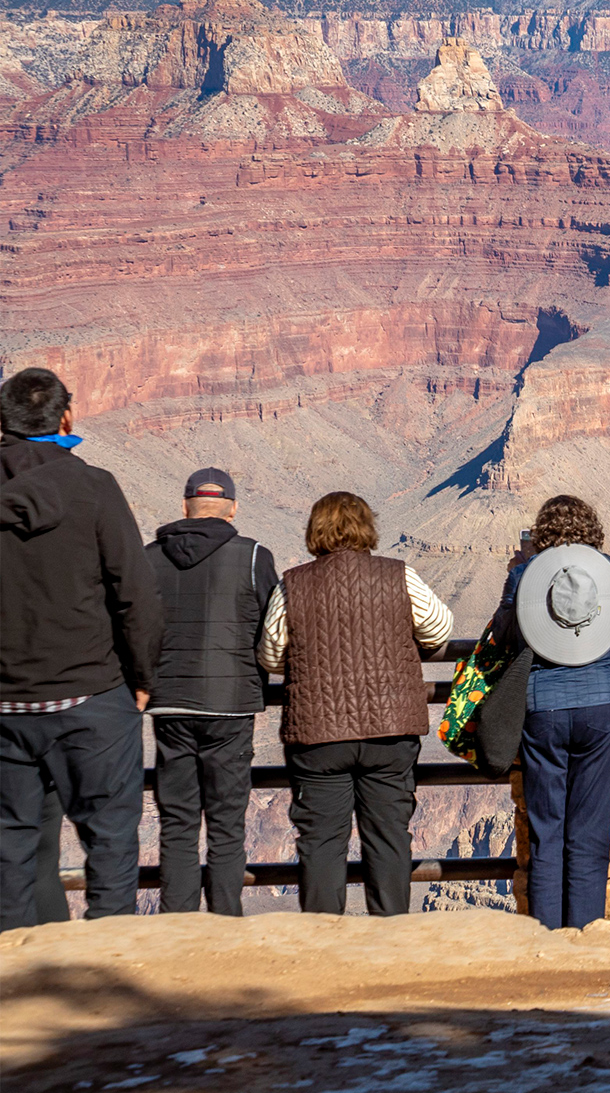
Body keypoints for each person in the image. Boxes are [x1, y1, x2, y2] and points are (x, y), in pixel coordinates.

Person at [0, 368, 162, 931]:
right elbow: (135, 593)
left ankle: (16, 991)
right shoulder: (94, 487)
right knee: (112, 848)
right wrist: (142, 679)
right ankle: (106, 982)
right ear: (67, 418)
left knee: (9, 859)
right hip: (91, 697)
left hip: (5, 708)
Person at [257, 492, 453, 916]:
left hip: (318, 736)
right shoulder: (398, 576)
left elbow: (271, 655)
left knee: (320, 842)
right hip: (390, 731)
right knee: (388, 837)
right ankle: (391, 939)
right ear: (367, 527)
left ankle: (326, 945)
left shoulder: (292, 584)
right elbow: (439, 629)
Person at [500, 495, 610, 929]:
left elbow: (505, 633)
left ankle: (547, 939)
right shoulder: (608, 569)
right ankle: (584, 936)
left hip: (545, 709)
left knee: (548, 833)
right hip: (603, 707)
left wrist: (524, 571)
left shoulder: (525, 576)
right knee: (589, 833)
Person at [144, 467, 280, 916]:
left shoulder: (148, 558)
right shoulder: (254, 556)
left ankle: (177, 925)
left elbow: (134, 627)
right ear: (233, 509)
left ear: (184, 507)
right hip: (231, 708)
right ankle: (225, 924)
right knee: (225, 823)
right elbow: (273, 629)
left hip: (168, 706)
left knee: (178, 822)